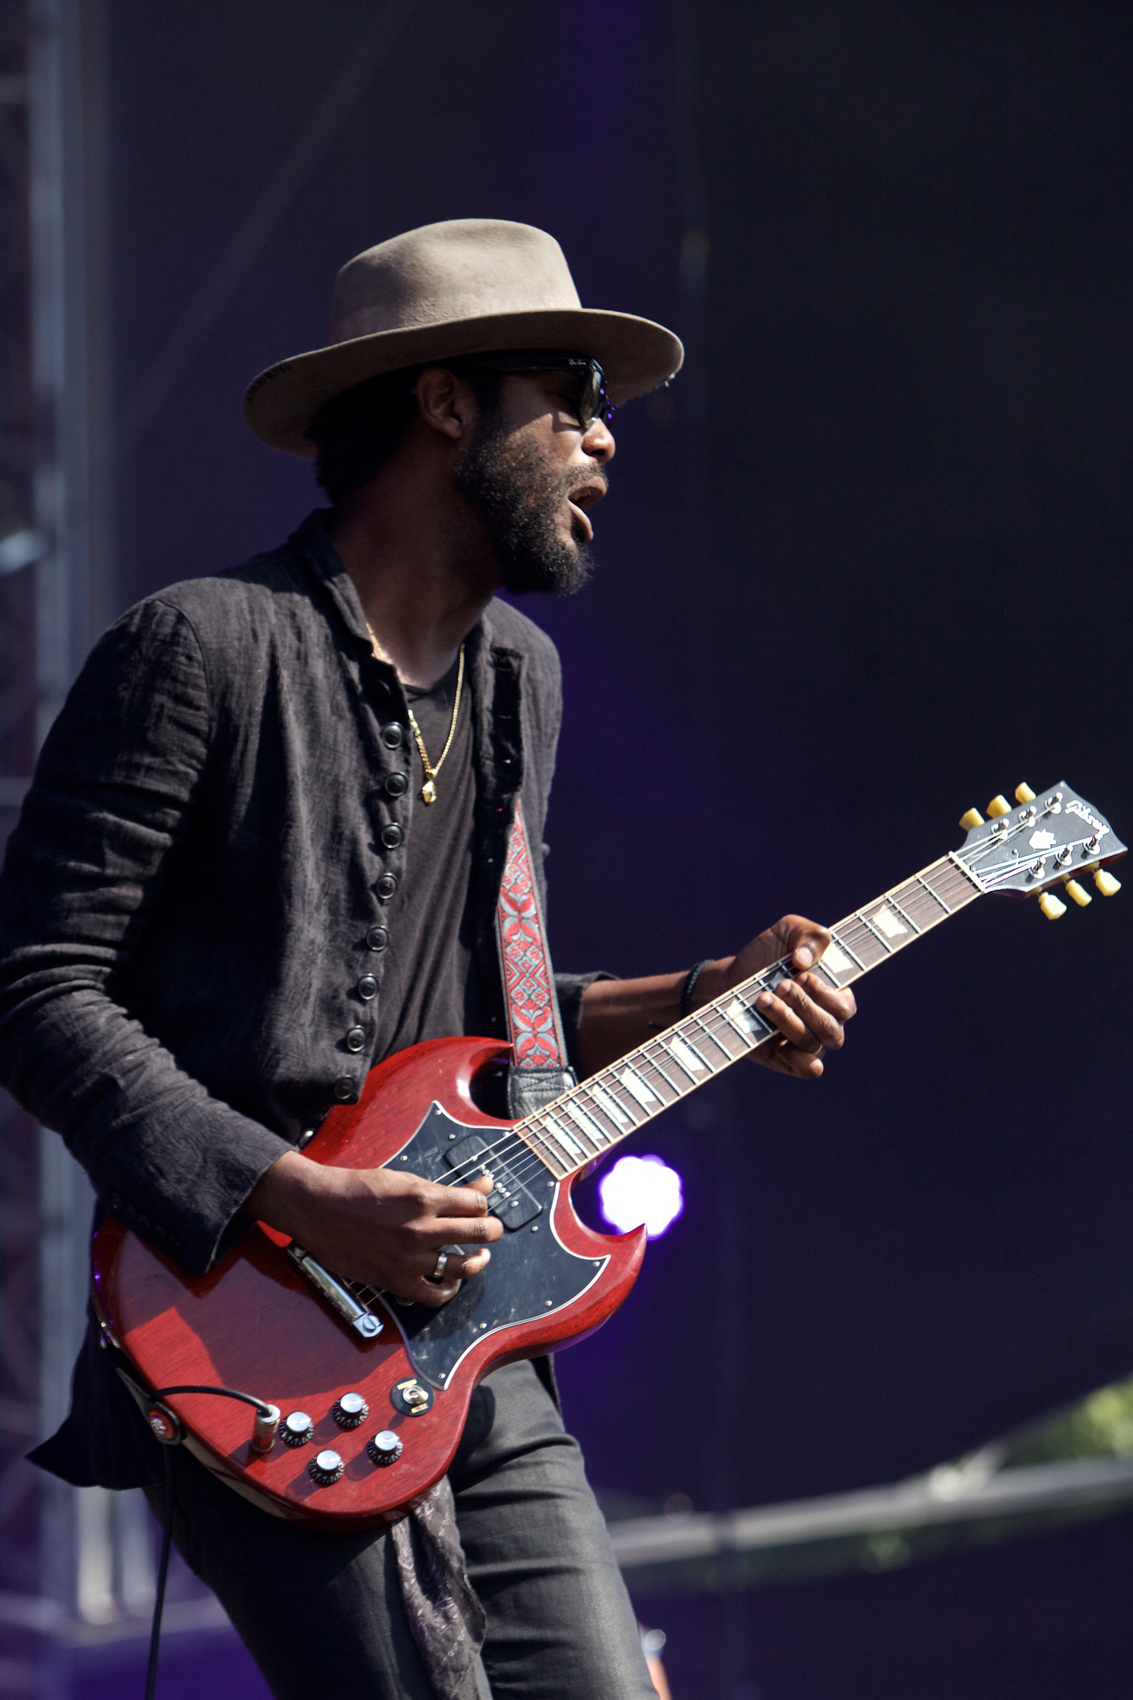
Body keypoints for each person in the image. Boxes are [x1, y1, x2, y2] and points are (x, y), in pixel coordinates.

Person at [0, 219, 855, 1699]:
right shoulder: (202, 648)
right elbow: (34, 988)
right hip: (246, 1326)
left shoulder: (521, 676)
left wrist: (704, 1002)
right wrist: (303, 1199)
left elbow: (494, 1023)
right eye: (569, 394)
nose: (602, 439)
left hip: (470, 1337)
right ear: (446, 403)